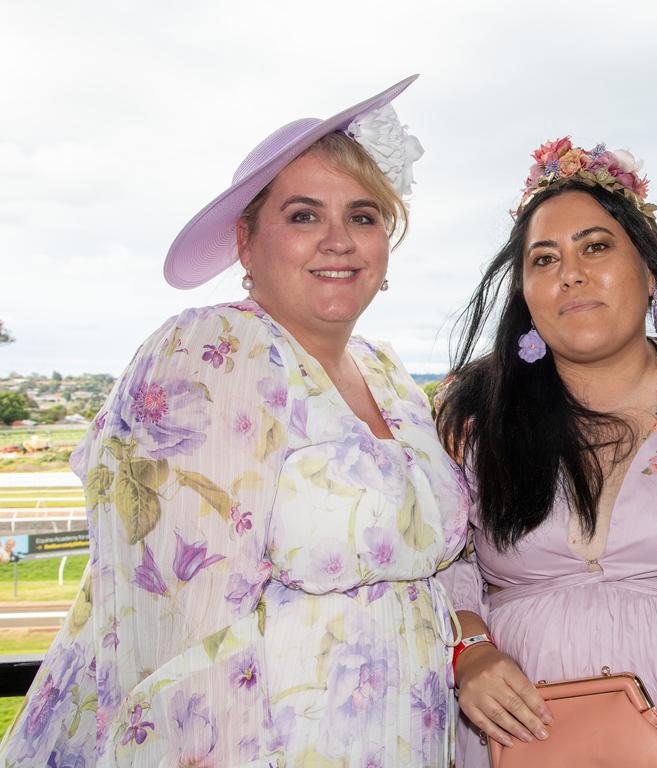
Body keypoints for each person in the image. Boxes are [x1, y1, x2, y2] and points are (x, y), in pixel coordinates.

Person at [0, 76, 470, 767]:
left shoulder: (391, 378)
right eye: (305, 216)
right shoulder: (212, 356)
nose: (339, 240)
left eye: (364, 217)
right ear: (247, 244)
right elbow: (177, 637)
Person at [434, 138, 657, 768]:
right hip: (517, 732)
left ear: (649, 270)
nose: (571, 273)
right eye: (544, 259)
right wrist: (469, 650)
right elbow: (437, 558)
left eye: (595, 247)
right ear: (526, 293)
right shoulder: (472, 413)